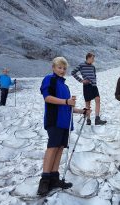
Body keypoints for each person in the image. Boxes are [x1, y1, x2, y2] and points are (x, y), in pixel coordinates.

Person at [38, 57, 90, 196]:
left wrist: (81, 111)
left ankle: (54, 178)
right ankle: (44, 180)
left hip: (65, 122)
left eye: (64, 68)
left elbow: (68, 106)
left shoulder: (65, 86)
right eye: (59, 67)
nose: (62, 70)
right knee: (52, 148)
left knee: (60, 148)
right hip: (54, 120)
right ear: (53, 67)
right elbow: (47, 97)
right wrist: (66, 101)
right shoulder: (50, 79)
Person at [71, 52, 107, 125]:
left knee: (98, 99)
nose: (93, 60)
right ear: (88, 58)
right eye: (92, 58)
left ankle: (97, 119)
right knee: (88, 102)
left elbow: (94, 75)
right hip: (87, 86)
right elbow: (73, 72)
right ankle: (88, 119)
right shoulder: (81, 65)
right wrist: (81, 80)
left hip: (94, 86)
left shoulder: (93, 67)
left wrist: (94, 81)